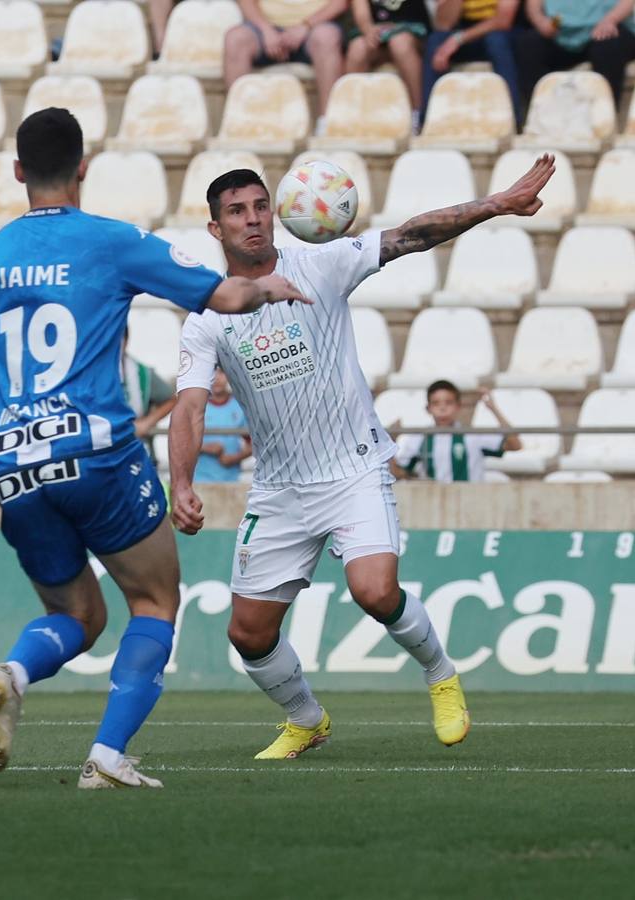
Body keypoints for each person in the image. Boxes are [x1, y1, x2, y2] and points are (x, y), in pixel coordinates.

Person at [0, 107, 304, 790]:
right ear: (82, 167)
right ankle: (106, 756)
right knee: (154, 601)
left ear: (18, 172)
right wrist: (265, 287)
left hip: (13, 466)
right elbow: (223, 295)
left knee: (76, 615)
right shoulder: (110, 241)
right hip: (98, 456)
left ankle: (13, 672)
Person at [169, 156, 554, 759]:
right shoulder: (207, 316)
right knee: (248, 634)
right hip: (280, 488)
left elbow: (411, 236)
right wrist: (182, 481)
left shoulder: (320, 266)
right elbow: (190, 405)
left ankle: (441, 674)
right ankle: (306, 719)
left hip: (353, 468)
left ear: (277, 211)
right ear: (215, 229)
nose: (254, 220)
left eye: (261, 206)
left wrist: (496, 203)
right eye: (237, 212)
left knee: (374, 591)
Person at [224, 0, 348, 132]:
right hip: (265, 28)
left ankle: (327, 123)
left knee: (327, 37)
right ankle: (238, 122)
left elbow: (341, 3)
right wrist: (266, 30)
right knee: (235, 38)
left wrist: (306, 26)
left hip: (315, 27)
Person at [514, 0, 635, 120]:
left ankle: (604, 117)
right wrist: (540, 21)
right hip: (561, 34)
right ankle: (543, 116)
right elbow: (533, 6)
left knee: (607, 47)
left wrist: (610, 20)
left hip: (609, 27)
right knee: (528, 45)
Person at [392, 382, 521, 482]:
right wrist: (389, 443)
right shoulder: (419, 438)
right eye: (436, 403)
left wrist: (493, 409)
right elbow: (400, 474)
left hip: (469, 503)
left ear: (458, 406)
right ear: (428, 408)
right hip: (433, 504)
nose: (442, 408)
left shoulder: (473, 436)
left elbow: (515, 445)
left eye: (448, 403)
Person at [421, 0, 522, 127]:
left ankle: (513, 121)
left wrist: (458, 39)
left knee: (497, 42)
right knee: (435, 41)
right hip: (466, 32)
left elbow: (503, 21)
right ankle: (427, 122)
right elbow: (443, 25)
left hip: (503, 32)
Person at [346, 0, 431, 131]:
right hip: (378, 33)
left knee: (400, 43)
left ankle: (419, 116)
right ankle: (354, 118)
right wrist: (368, 30)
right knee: (358, 49)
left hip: (413, 30)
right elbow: (361, 13)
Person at [194, 369, 251, 483]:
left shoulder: (240, 405)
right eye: (211, 372)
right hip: (199, 481)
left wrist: (235, 458)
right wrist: (204, 448)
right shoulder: (196, 405)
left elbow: (254, 443)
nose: (216, 378)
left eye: (222, 372)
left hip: (232, 481)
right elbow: (180, 441)